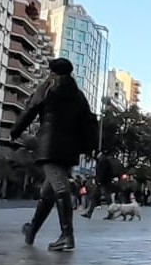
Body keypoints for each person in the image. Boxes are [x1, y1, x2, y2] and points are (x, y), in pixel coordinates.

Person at [12, 58, 92, 251]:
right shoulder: (78, 95)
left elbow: (31, 109)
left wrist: (15, 131)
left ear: (53, 73)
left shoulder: (48, 88)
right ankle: (32, 230)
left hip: (50, 146)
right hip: (70, 149)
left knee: (60, 188)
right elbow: (88, 121)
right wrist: (87, 147)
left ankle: (67, 235)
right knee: (47, 194)